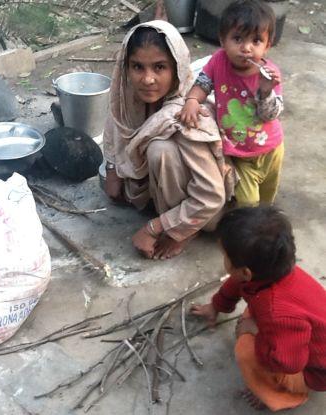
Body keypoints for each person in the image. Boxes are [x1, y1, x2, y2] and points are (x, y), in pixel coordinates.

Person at [103, 20, 236, 260]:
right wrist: (112, 167)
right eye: (137, 67)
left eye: (159, 67)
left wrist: (154, 227)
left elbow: (211, 196)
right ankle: (167, 216)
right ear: (126, 68)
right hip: (176, 195)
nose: (147, 79)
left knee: (159, 149)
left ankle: (182, 232)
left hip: (207, 212)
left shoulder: (186, 116)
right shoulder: (128, 100)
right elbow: (114, 129)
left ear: (177, 68)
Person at [190, 206, 326, 411]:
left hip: (315, 370)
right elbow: (236, 284)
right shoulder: (271, 273)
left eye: (225, 255)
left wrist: (256, 332)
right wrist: (216, 306)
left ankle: (283, 397)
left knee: (246, 351)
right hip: (295, 333)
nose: (224, 259)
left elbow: (289, 364)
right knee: (253, 319)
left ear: (246, 272)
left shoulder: (278, 312)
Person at [178, 0, 284, 207]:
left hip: (272, 150)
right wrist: (191, 100)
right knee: (248, 204)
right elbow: (203, 83)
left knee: (266, 200)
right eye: (237, 39)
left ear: (267, 45)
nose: (246, 48)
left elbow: (271, 115)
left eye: (256, 41)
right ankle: (247, 226)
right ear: (222, 40)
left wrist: (265, 90)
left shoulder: (269, 75)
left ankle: (261, 223)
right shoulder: (218, 61)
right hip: (240, 154)